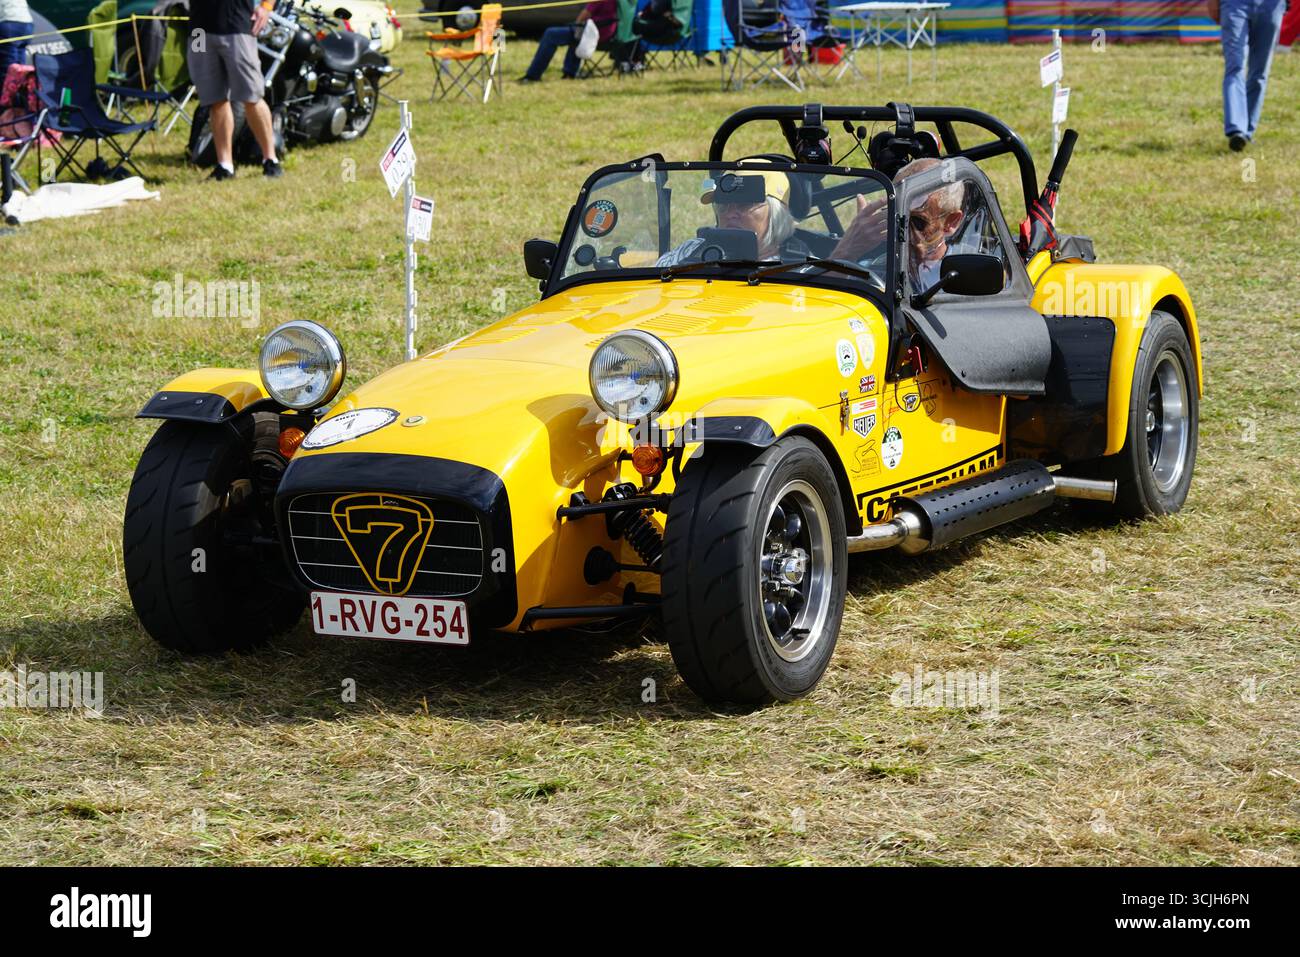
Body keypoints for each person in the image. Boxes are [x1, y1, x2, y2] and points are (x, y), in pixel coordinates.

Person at [829, 157, 964, 290]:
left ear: (951, 222)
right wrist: (847, 252)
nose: (903, 231)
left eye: (918, 222)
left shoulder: (964, 274)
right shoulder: (873, 270)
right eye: (894, 216)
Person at [188, 0, 282, 179]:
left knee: (251, 96)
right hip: (198, 31)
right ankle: (225, 165)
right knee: (214, 99)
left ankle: (270, 160)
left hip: (236, 25)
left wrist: (267, 7)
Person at [656, 170, 798, 267]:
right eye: (723, 205)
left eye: (744, 204)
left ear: (779, 215)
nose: (729, 214)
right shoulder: (692, 250)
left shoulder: (801, 267)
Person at [1208, 0, 1288, 150]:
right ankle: (1236, 129)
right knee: (1235, 66)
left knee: (1259, 73)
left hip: (1272, 5)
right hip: (1234, 4)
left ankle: (1246, 133)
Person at [518, 0, 619, 82]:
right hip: (605, 33)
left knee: (551, 34)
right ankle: (570, 72)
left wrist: (576, 24)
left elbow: (585, 15)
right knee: (574, 35)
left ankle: (533, 75)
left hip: (593, 35)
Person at [0, 0, 34, 71]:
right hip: (28, 24)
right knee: (20, 62)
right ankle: (21, 81)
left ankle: (8, 81)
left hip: (10, 23)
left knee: (8, 63)